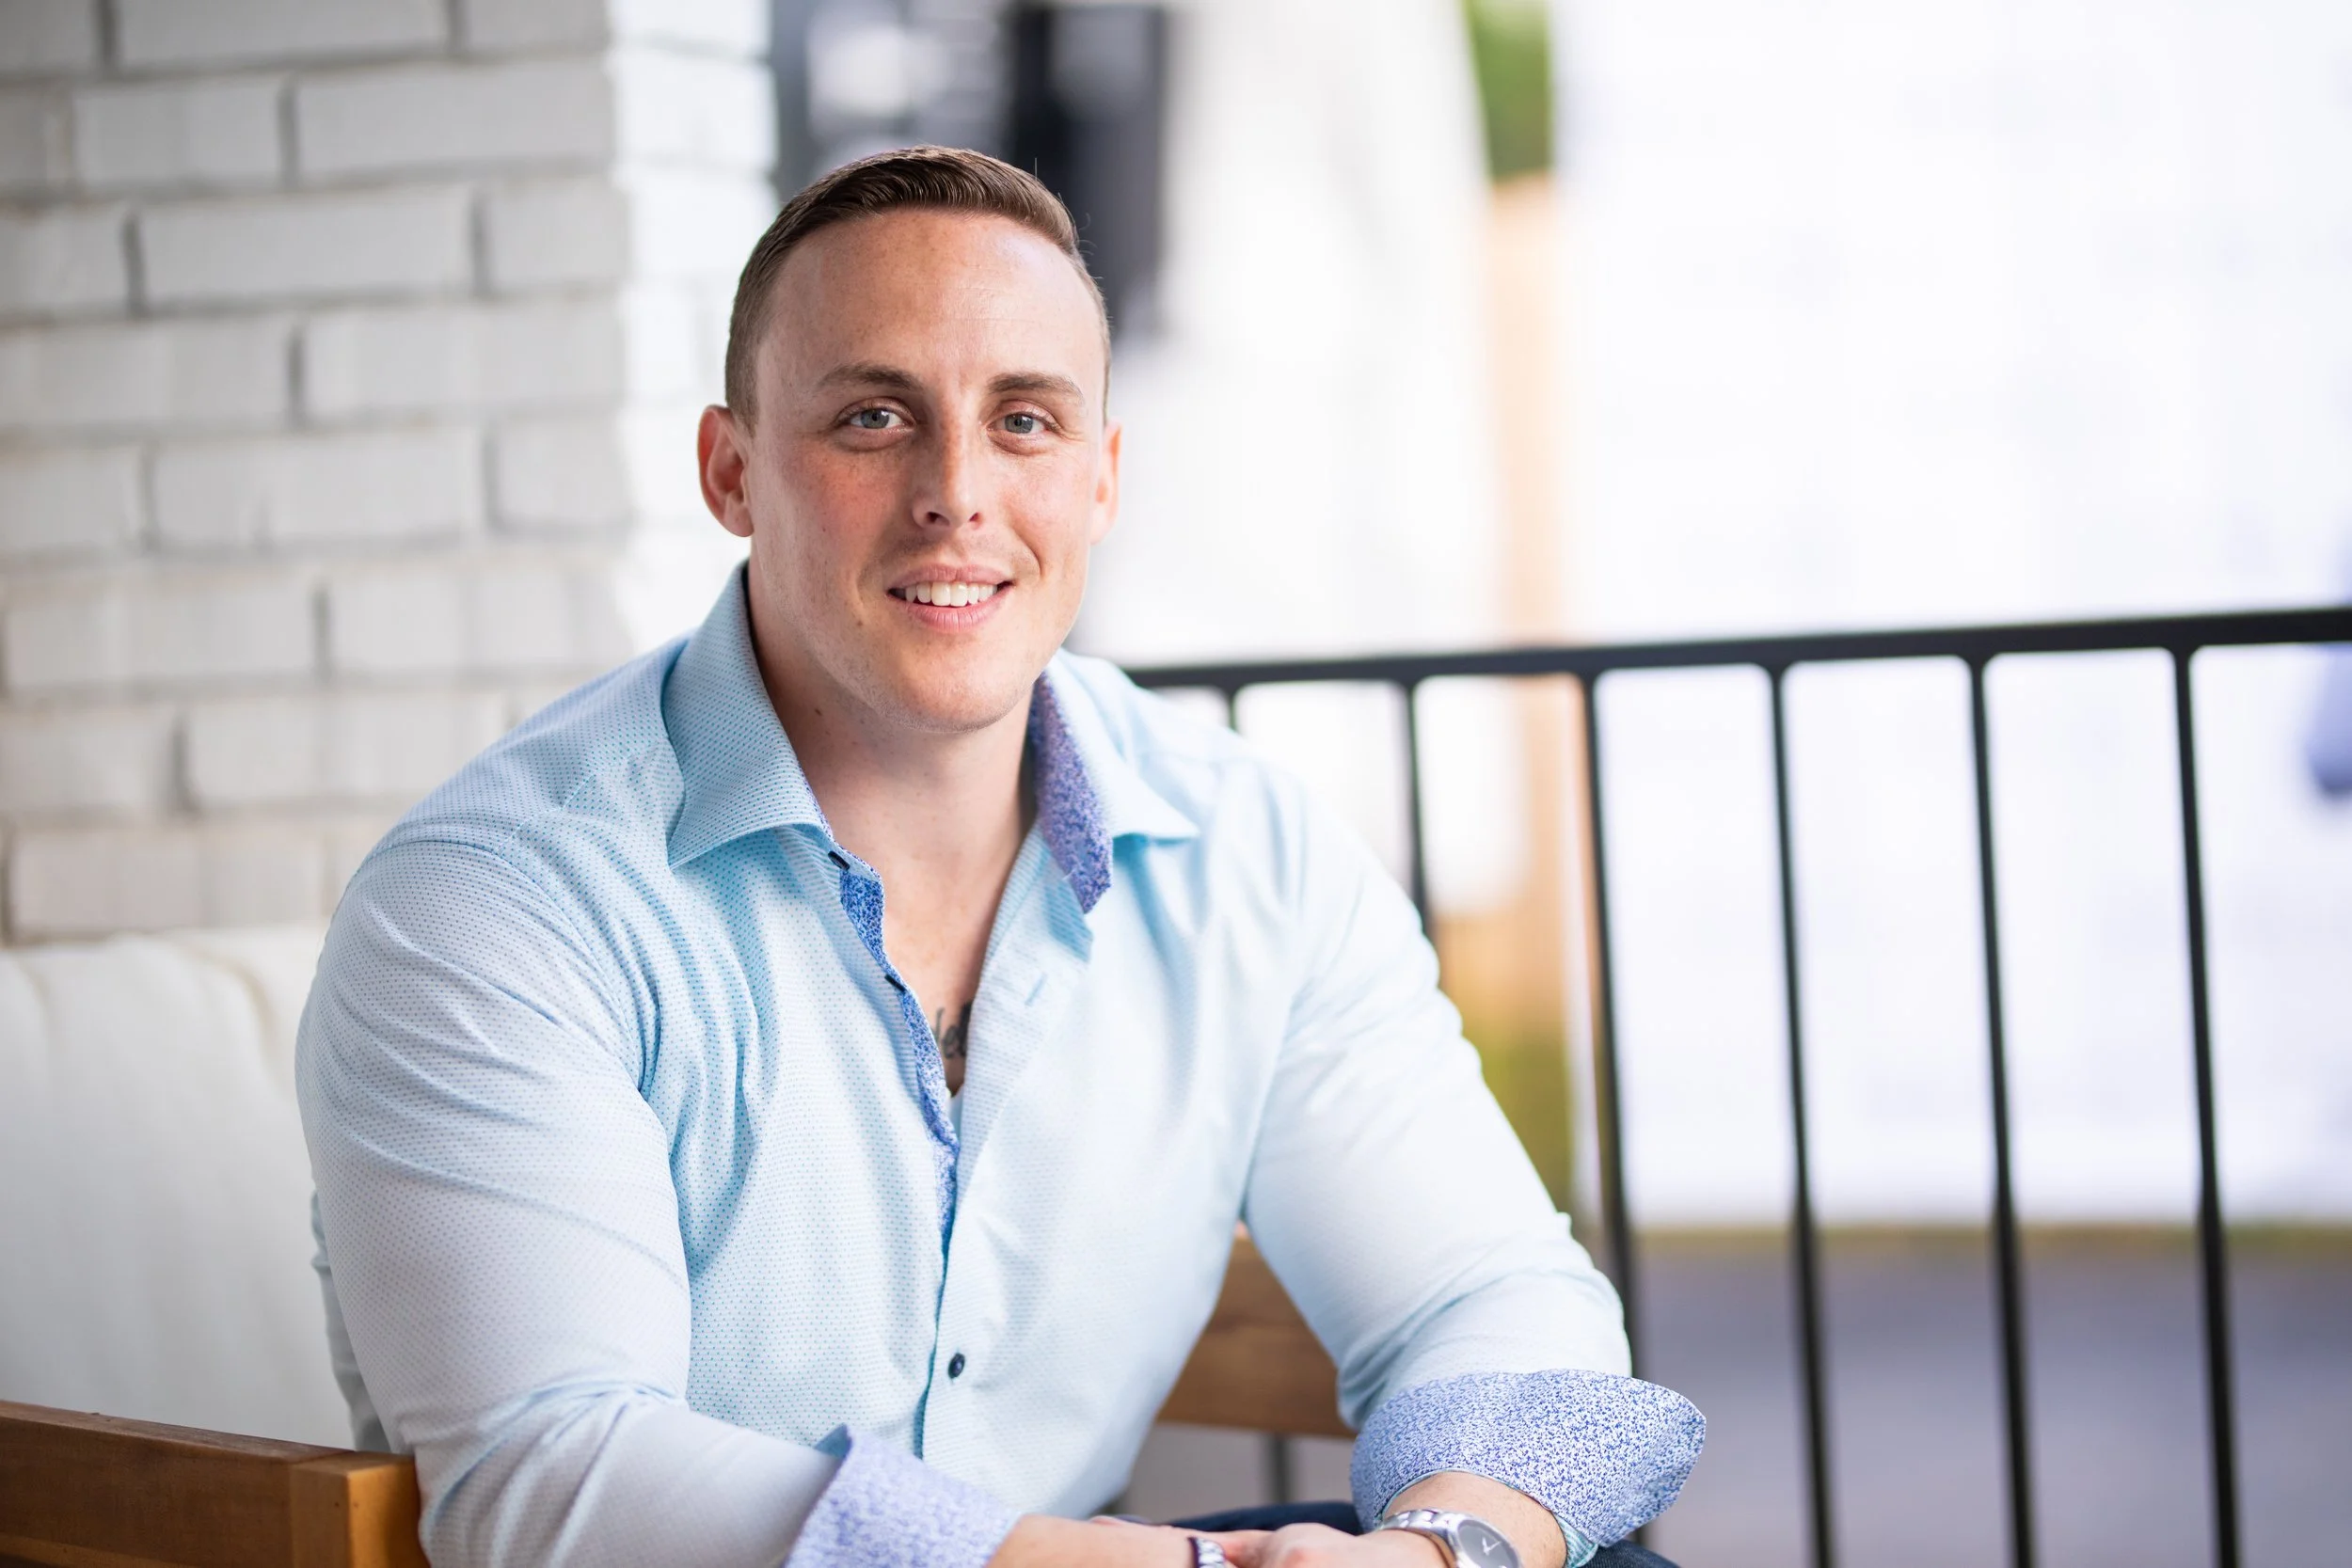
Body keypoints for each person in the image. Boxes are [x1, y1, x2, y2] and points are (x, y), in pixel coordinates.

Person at [296, 147, 1703, 1568]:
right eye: (871, 417)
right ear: (732, 471)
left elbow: (1491, 1298)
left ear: (1100, 478)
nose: (956, 490)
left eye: (1022, 420)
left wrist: (1443, 1549)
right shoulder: (499, 900)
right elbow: (557, 1469)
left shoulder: (1248, 853)